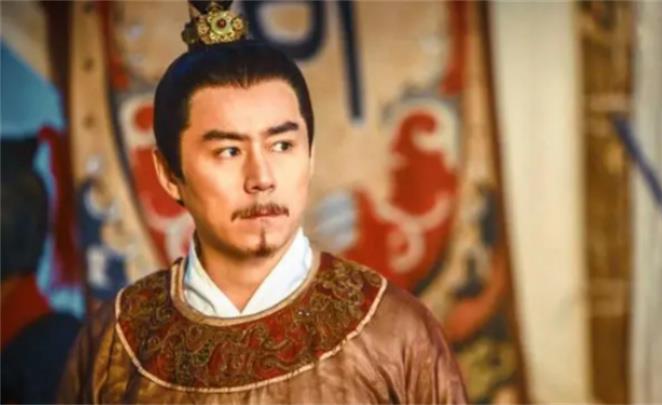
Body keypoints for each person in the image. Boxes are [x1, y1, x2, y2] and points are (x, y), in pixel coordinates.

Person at [57, 1, 467, 403]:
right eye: (228, 152)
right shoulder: (116, 346)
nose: (261, 179)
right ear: (168, 174)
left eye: (282, 145)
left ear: (310, 155)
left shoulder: (394, 331)